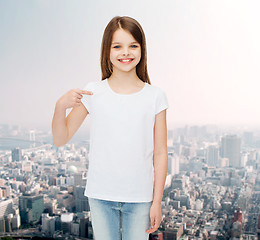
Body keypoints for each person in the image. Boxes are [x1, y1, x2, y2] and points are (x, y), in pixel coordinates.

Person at [52, 16, 169, 240]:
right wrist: (60, 107)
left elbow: (161, 152)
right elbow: (60, 138)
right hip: (100, 195)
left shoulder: (155, 96)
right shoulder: (94, 92)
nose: (126, 52)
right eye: (118, 46)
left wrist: (157, 202)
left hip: (140, 197)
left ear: (142, 49)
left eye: (133, 45)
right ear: (107, 50)